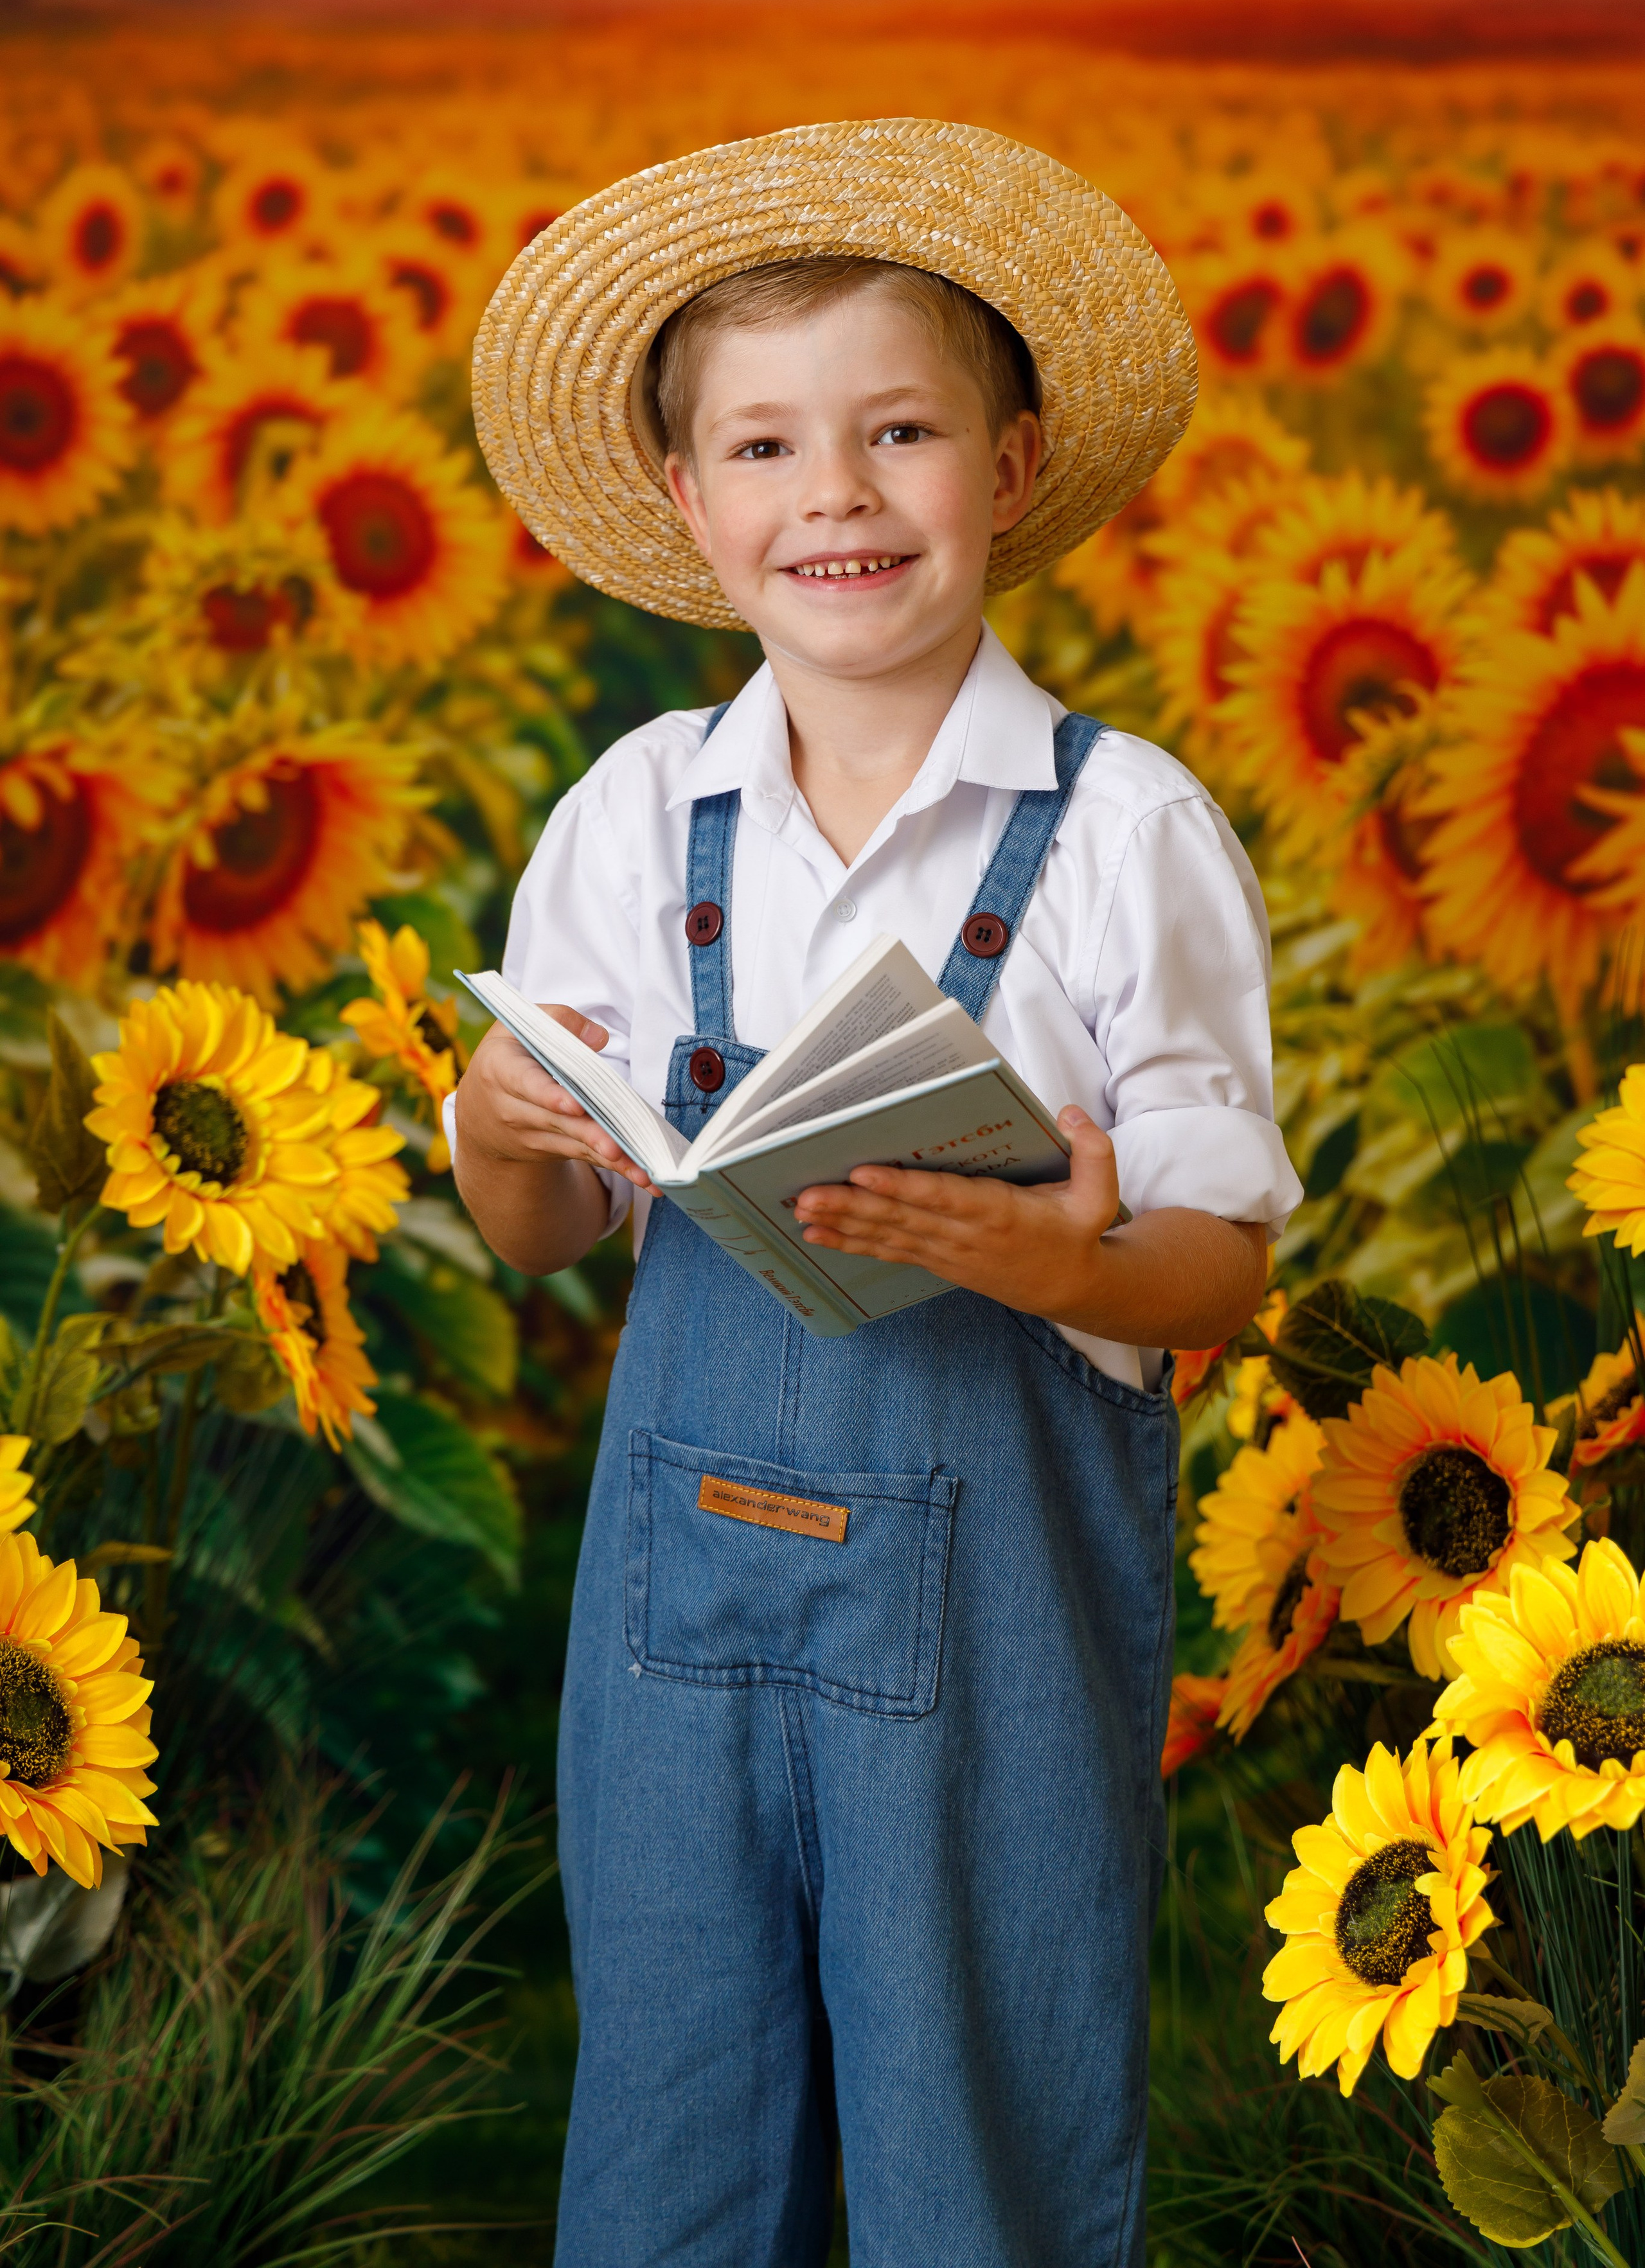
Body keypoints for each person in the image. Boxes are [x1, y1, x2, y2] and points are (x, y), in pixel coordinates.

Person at [451, 119, 1301, 2267]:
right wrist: (500, 1128)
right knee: (673, 2116)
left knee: (976, 2131)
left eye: (897, 430)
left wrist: (1059, 1257)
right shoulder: (644, 815)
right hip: (679, 1613)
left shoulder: (1124, 836)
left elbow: (1221, 1272)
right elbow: (543, 1242)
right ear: (688, 502)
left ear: (1008, 472)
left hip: (995, 1606)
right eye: (762, 446)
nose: (831, 494)